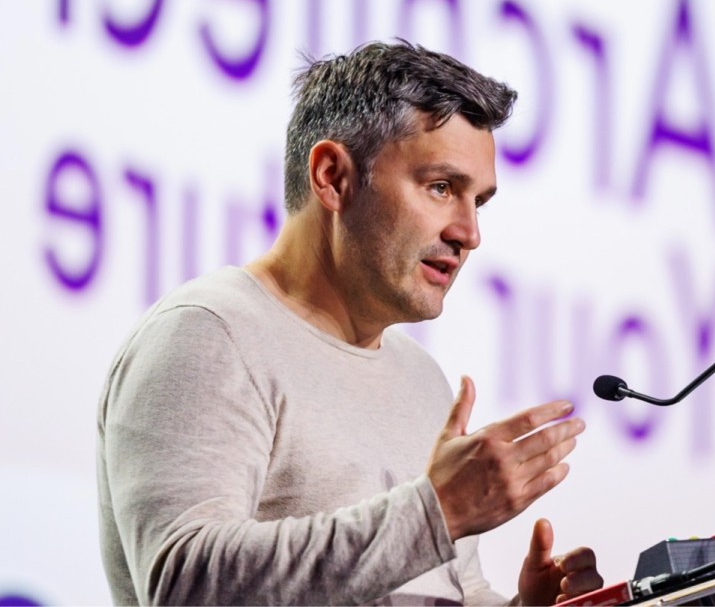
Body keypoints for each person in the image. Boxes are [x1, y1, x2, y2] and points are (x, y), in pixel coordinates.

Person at [97, 40, 603, 606]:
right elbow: (184, 583)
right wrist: (437, 514)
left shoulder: (421, 378)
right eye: (441, 187)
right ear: (333, 177)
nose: (469, 233)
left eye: (478, 201)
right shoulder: (209, 335)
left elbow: (441, 587)